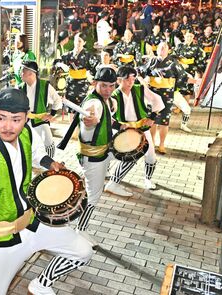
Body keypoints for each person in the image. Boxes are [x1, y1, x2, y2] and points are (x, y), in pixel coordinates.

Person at [0, 88, 93, 295]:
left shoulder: (27, 132)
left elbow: (36, 152)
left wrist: (50, 163)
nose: (8, 126)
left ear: (26, 118)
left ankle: (41, 284)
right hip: (4, 241)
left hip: (33, 223)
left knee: (82, 251)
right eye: (1, 118)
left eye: (16, 120)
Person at [69, 67, 119, 247]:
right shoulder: (95, 103)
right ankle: (80, 230)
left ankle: (115, 182)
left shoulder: (105, 100)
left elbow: (108, 120)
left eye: (111, 86)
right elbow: (91, 115)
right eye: (103, 85)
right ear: (94, 83)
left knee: (130, 155)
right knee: (93, 196)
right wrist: (90, 119)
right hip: (94, 158)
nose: (108, 89)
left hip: (103, 152)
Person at [104, 66, 164, 196]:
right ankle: (111, 180)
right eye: (127, 79)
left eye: (133, 78)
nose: (131, 82)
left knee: (151, 155)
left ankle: (147, 179)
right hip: (124, 131)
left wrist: (152, 118)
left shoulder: (140, 89)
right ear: (119, 80)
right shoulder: (114, 95)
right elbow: (107, 115)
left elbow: (157, 100)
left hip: (141, 127)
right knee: (128, 156)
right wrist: (118, 126)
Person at [138, 42, 199, 154]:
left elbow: (183, 77)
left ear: (168, 50)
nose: (162, 49)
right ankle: (151, 143)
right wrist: (143, 82)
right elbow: (139, 72)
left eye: (164, 47)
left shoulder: (173, 63)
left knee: (164, 121)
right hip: (153, 95)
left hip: (167, 96)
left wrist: (195, 81)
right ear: (157, 50)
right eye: (160, 47)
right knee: (152, 120)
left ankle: (161, 144)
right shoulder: (152, 61)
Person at [18, 61, 62, 158]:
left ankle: (49, 165)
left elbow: (57, 100)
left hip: (41, 119)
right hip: (25, 120)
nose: (20, 73)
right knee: (24, 143)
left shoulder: (45, 86)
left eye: (23, 71)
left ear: (31, 73)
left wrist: (51, 115)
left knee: (49, 142)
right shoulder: (20, 87)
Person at [62, 33, 98, 108]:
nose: (77, 43)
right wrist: (61, 65)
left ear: (84, 43)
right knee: (70, 107)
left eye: (79, 41)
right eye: (76, 41)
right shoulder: (68, 55)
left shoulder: (87, 55)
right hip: (71, 84)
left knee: (82, 107)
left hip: (83, 85)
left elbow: (96, 65)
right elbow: (58, 62)